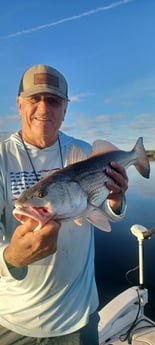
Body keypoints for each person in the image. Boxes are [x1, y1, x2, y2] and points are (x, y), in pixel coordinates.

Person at [0, 64, 128, 345]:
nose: (44, 108)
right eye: (34, 98)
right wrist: (11, 259)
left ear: (66, 109)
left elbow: (110, 215)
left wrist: (116, 200)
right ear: (19, 104)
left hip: (77, 319)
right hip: (13, 322)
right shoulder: (2, 157)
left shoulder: (83, 152)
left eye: (54, 100)